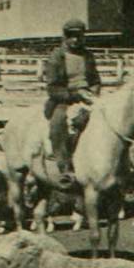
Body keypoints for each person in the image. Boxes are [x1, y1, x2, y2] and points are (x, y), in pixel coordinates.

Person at [43, 19, 101, 182]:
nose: (75, 40)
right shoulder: (57, 57)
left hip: (88, 98)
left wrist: (94, 92)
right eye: (71, 36)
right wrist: (76, 95)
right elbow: (53, 88)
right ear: (65, 37)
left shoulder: (87, 55)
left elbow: (95, 79)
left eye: (78, 36)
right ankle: (65, 167)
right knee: (58, 123)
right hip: (64, 100)